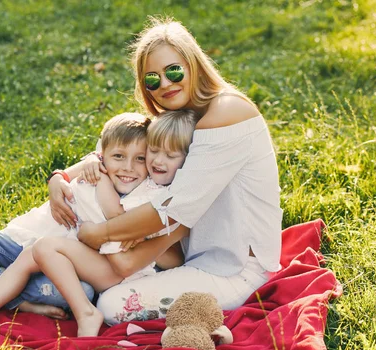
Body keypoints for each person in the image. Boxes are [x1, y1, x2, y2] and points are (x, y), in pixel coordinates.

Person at [48, 16, 283, 326]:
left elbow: (173, 209)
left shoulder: (226, 113)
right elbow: (121, 149)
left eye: (173, 71)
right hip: (187, 257)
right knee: (81, 267)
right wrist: (60, 177)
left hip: (234, 269)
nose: (166, 84)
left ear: (193, 64)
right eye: (152, 80)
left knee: (111, 305)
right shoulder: (181, 118)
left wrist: (99, 234)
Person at [0, 110, 197, 336]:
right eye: (118, 157)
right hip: (35, 249)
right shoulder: (96, 172)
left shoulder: (146, 195)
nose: (129, 167)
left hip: (93, 275)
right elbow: (94, 165)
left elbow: (118, 222)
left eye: (140, 159)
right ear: (102, 156)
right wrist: (63, 175)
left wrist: (104, 185)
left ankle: (6, 293)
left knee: (51, 259)